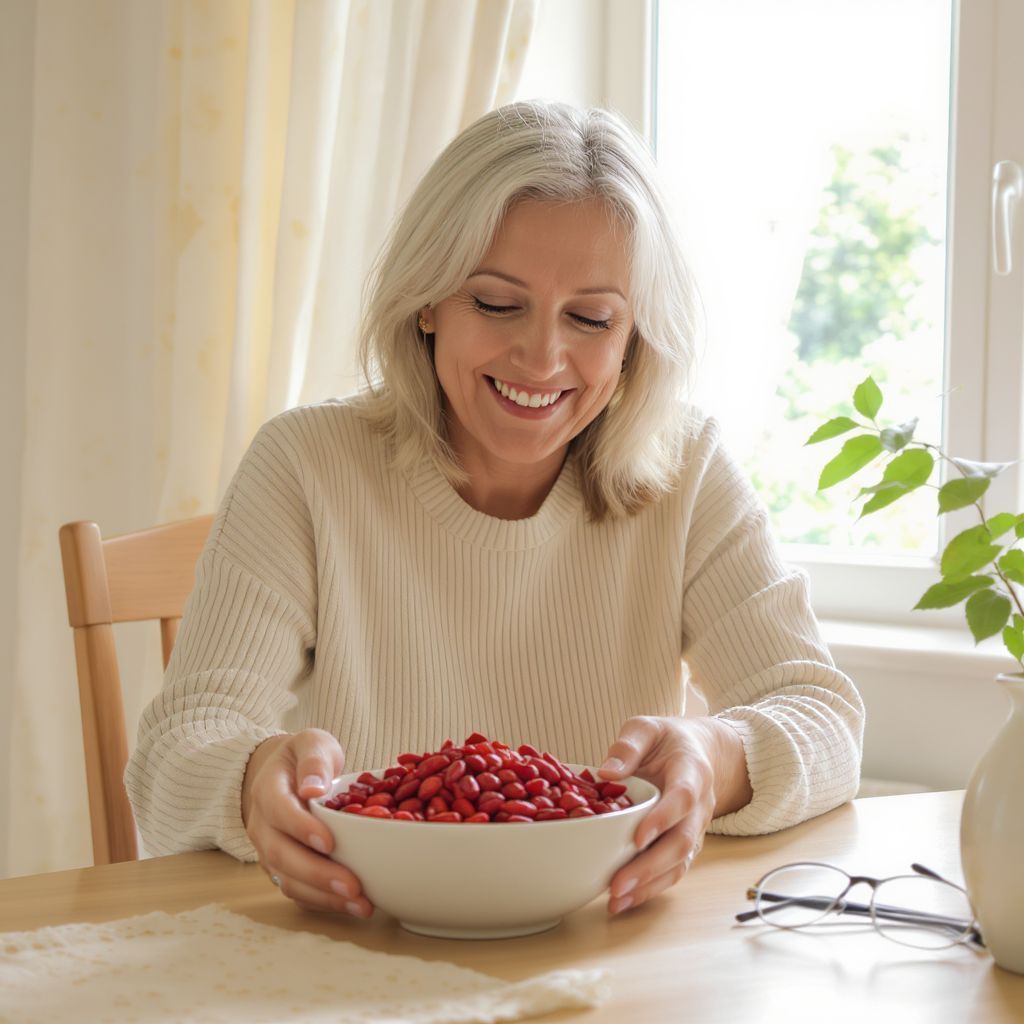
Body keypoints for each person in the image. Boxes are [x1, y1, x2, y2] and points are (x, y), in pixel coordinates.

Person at [126, 100, 864, 922]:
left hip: (607, 951)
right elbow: (172, 756)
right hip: (357, 951)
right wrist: (253, 779)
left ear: (633, 342)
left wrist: (716, 755)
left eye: (591, 318)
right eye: (496, 303)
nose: (543, 357)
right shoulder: (306, 465)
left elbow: (823, 714)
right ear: (427, 301)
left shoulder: (688, 470)